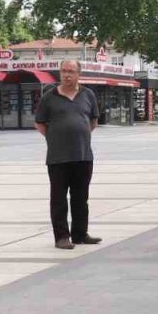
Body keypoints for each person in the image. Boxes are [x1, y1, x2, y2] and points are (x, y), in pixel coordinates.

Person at [33, 59, 102, 250]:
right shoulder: (49, 97)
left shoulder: (88, 95)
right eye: (63, 71)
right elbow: (39, 123)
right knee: (58, 199)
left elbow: (93, 122)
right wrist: (56, 138)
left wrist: (79, 135)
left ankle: (80, 234)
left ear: (79, 73)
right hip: (58, 157)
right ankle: (62, 237)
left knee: (81, 198)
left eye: (71, 71)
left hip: (83, 156)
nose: (67, 75)